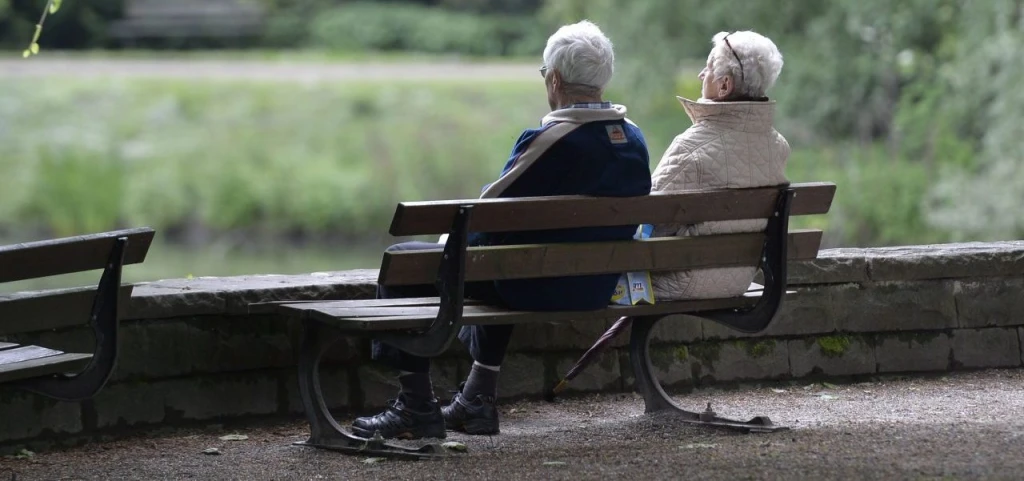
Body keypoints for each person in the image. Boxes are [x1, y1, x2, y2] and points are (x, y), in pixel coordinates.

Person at [351, 20, 652, 440]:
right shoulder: (633, 140)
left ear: (556, 79)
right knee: (506, 255)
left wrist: (444, 250)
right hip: (596, 285)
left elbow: (483, 212)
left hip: (539, 286)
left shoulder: (553, 140)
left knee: (409, 261)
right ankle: (477, 398)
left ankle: (415, 405)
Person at [650, 30, 789, 301]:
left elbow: (649, 220)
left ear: (724, 86)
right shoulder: (778, 146)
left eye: (709, 66)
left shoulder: (692, 147)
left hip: (680, 281)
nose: (702, 75)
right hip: (738, 281)